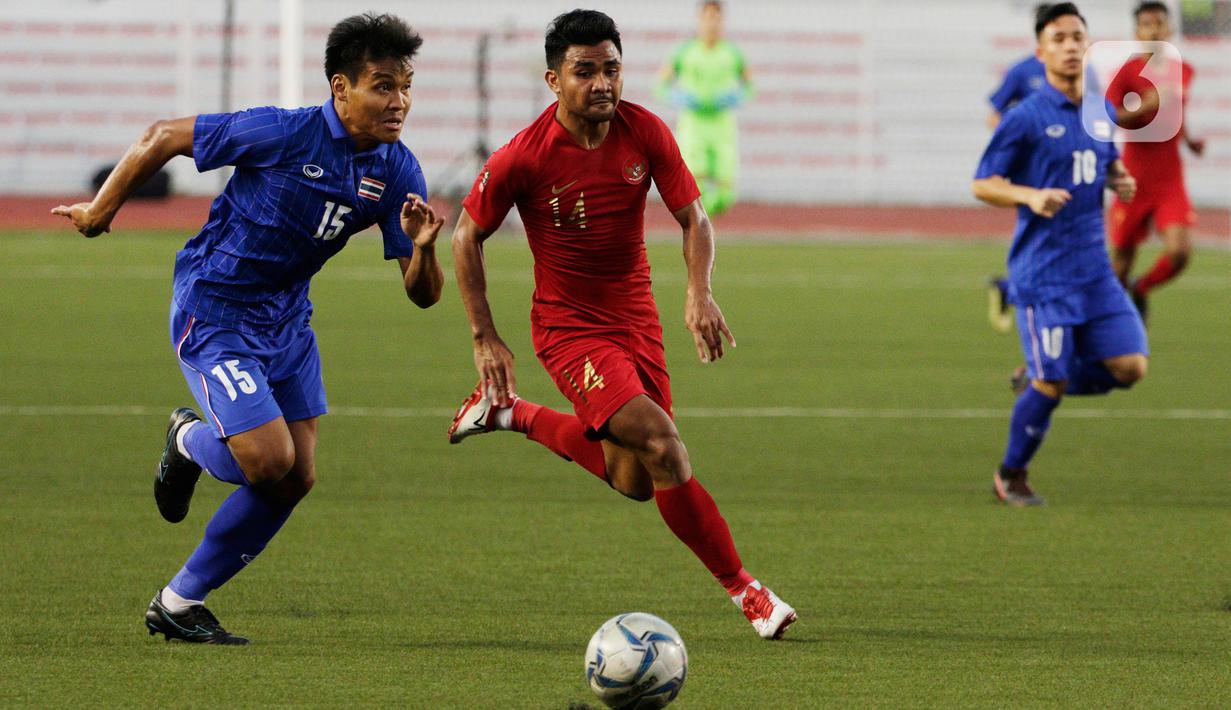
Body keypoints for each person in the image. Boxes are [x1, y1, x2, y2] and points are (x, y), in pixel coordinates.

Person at [52, 13, 444, 644]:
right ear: (340, 89)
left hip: (287, 321)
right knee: (266, 460)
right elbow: (161, 137)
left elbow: (422, 297)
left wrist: (423, 250)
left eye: (405, 86)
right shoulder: (280, 132)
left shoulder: (397, 170)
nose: (398, 101)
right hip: (215, 311)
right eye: (381, 85)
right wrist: (100, 212)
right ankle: (188, 440)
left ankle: (178, 603)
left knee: (296, 477)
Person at [447, 9, 795, 639]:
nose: (603, 82)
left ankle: (509, 413)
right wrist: (484, 335)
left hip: (636, 320)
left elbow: (696, 220)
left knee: (636, 478)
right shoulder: (522, 157)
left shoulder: (645, 131)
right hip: (568, 327)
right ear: (554, 80)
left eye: (612, 68)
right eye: (586, 71)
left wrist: (697, 292)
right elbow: (466, 236)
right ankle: (748, 592)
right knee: (663, 443)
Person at [972, 3, 1147, 506]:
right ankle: (1011, 474)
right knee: (1052, 385)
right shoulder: (1025, 117)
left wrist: (1120, 178)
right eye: (1059, 38)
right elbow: (983, 183)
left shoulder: (1098, 111)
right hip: (1043, 274)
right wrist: (1028, 196)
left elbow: (1103, 163)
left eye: (1077, 37)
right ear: (1040, 51)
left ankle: (1041, 372)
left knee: (1131, 367)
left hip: (1095, 270)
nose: (1070, 45)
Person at [984, 2, 1100, 333]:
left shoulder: (1083, 73)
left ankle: (1008, 289)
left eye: (1074, 34)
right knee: (1039, 235)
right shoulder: (1022, 70)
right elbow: (994, 112)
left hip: (1073, 166)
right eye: (1056, 32)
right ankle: (1016, 292)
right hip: (1040, 172)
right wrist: (1017, 144)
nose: (1067, 44)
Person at [1106, 1, 1205, 322]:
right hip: (1133, 176)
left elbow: (1176, 113)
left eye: (1159, 23)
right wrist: (1141, 107)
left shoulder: (1184, 70)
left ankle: (1143, 287)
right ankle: (1115, 325)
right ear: (1137, 32)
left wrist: (1189, 140)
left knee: (1179, 252)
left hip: (1168, 177)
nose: (1154, 30)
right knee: (1120, 262)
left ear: (1170, 29)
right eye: (1147, 24)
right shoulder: (1126, 73)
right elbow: (1107, 119)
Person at [655, 0, 752, 217]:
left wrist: (737, 96)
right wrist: (677, 96)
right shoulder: (685, 51)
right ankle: (702, 234)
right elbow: (659, 85)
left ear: (722, 20)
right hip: (693, 126)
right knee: (692, 188)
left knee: (726, 194)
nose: (712, 23)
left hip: (722, 126)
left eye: (716, 18)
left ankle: (704, 224)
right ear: (700, 19)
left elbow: (750, 85)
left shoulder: (732, 53)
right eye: (708, 17)